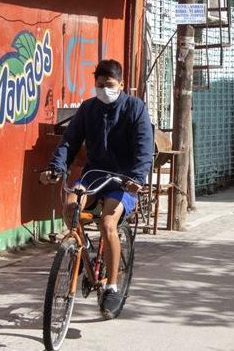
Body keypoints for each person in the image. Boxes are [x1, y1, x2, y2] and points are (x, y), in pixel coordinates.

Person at [42, 60, 154, 320]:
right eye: (100, 85)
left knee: (107, 224)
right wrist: (56, 167)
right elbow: (69, 141)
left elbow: (144, 146)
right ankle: (79, 255)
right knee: (70, 206)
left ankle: (112, 285)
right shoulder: (87, 109)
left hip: (124, 180)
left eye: (110, 85)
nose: (104, 90)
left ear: (122, 85)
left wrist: (137, 177)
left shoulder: (135, 109)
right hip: (94, 176)